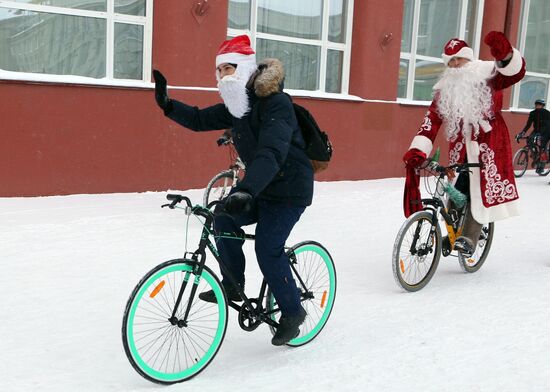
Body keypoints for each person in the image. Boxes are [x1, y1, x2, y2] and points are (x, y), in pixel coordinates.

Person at [152, 35, 313, 346]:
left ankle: (293, 312)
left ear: (246, 69)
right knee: (221, 217)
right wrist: (168, 105)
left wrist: (246, 189)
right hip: (260, 188)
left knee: (267, 246)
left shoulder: (277, 104)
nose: (225, 75)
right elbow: (200, 119)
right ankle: (232, 283)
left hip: (290, 190)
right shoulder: (238, 107)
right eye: (221, 70)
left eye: (231, 68)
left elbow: (272, 153)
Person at [403, 31, 526, 256]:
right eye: (451, 61)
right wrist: (418, 150)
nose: (455, 64)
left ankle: (469, 236)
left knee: (476, 191)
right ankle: (453, 231)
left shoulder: (488, 74)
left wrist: (505, 56)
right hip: (461, 146)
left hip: (490, 143)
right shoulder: (445, 89)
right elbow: (432, 119)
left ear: (469, 58)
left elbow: (513, 75)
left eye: (459, 58)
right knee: (455, 190)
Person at [516, 99, 550, 172]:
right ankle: (535, 154)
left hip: (546, 131)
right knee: (529, 140)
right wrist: (523, 132)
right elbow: (528, 124)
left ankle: (541, 167)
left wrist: (540, 134)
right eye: (536, 104)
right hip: (536, 131)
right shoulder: (532, 113)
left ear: (542, 106)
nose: (537, 106)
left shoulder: (547, 113)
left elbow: (547, 125)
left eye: (539, 104)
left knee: (542, 147)